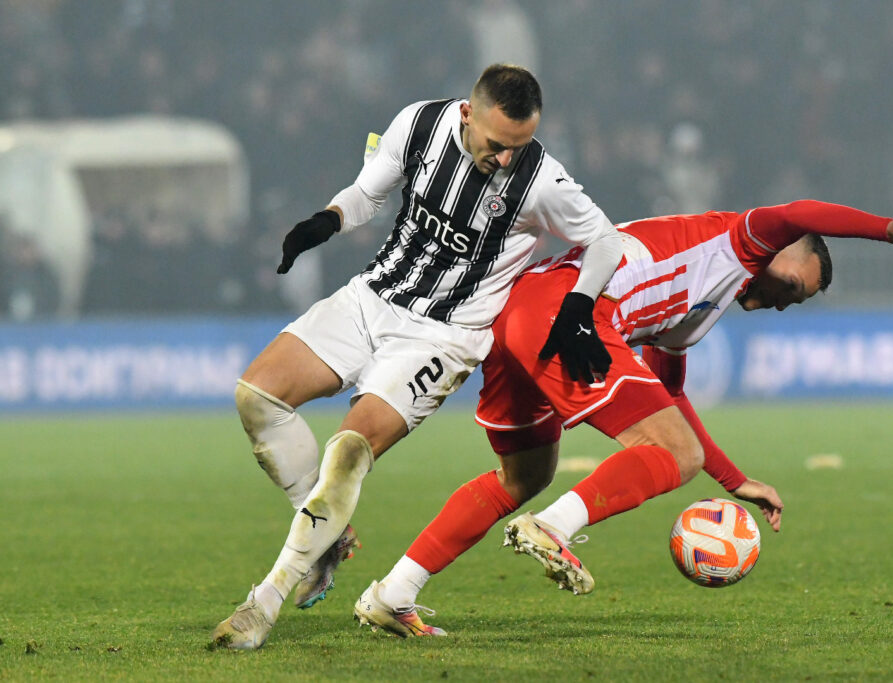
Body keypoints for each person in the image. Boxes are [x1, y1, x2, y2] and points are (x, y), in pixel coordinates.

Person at [354, 200, 893, 636]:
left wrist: (732, 479)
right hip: (568, 313)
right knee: (673, 454)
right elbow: (800, 211)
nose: (781, 302)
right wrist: (888, 229)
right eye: (792, 287)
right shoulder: (740, 239)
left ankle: (394, 592)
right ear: (776, 252)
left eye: (795, 301)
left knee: (522, 477)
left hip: (522, 316)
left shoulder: (700, 312)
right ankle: (555, 527)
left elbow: (671, 399)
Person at [211, 64, 624, 650]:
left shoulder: (541, 180)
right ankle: (325, 532)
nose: (507, 159)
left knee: (348, 451)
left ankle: (264, 602)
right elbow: (366, 193)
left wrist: (580, 305)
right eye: (496, 145)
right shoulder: (420, 122)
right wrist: (327, 220)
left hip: (441, 335)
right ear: (467, 114)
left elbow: (606, 239)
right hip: (373, 296)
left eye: (520, 146)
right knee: (256, 397)